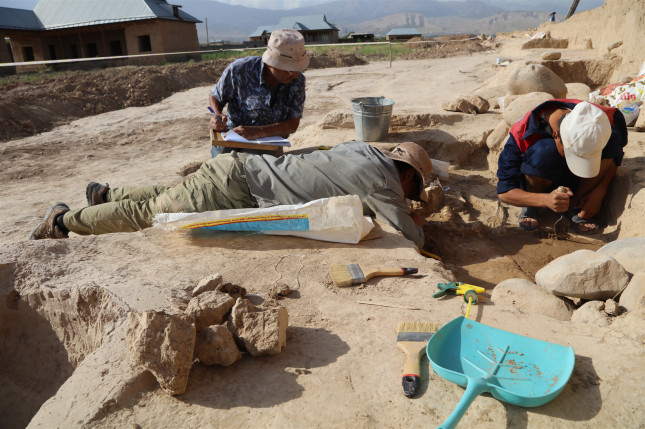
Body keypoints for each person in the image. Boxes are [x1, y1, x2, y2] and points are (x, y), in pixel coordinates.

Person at [30, 141, 434, 248]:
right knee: (150, 213)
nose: (410, 199)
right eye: (413, 194)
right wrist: (416, 219)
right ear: (409, 179)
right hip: (238, 185)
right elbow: (409, 237)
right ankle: (63, 221)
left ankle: (106, 194)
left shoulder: (363, 150)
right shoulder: (383, 182)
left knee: (172, 193)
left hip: (240, 169)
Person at [497, 99, 628, 234]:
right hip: (542, 181)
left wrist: (600, 191)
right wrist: (545, 200)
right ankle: (534, 207)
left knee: (610, 145)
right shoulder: (522, 131)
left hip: (581, 182)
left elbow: (615, 157)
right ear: (556, 135)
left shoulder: (604, 121)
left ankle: (576, 205)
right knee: (544, 152)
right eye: (573, 154)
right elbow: (505, 192)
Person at [208, 28, 308, 157]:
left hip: (268, 146)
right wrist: (216, 115)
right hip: (230, 140)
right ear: (272, 64)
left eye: (297, 69)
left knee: (256, 170)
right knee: (221, 168)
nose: (295, 75)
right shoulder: (239, 70)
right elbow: (216, 96)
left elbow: (292, 124)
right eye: (290, 70)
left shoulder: (298, 81)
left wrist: (259, 132)